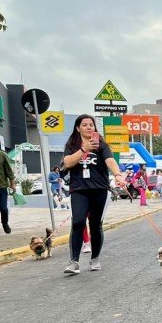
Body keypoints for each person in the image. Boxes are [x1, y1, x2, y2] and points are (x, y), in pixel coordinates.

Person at [61, 115, 127, 274]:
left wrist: (117, 175)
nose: (89, 127)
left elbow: (110, 160)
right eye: (85, 125)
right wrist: (84, 149)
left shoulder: (102, 144)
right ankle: (74, 262)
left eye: (91, 125)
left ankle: (95, 258)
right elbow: (68, 163)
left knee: (95, 224)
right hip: (79, 190)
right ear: (78, 128)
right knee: (77, 223)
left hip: (100, 190)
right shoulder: (72, 144)